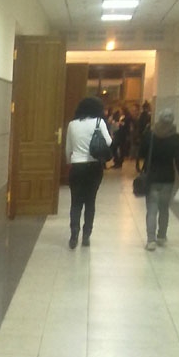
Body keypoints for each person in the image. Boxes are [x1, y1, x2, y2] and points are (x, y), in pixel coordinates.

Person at [136, 107, 179, 250]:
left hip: (151, 178)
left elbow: (141, 153)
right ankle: (161, 236)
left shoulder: (150, 135)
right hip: (168, 179)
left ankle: (151, 241)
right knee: (164, 208)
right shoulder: (176, 138)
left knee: (152, 210)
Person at [64, 96, 112, 248]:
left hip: (77, 166)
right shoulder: (99, 122)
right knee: (90, 202)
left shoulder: (72, 124)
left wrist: (69, 162)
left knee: (76, 202)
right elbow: (109, 142)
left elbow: (68, 148)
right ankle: (86, 236)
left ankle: (74, 235)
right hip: (94, 167)